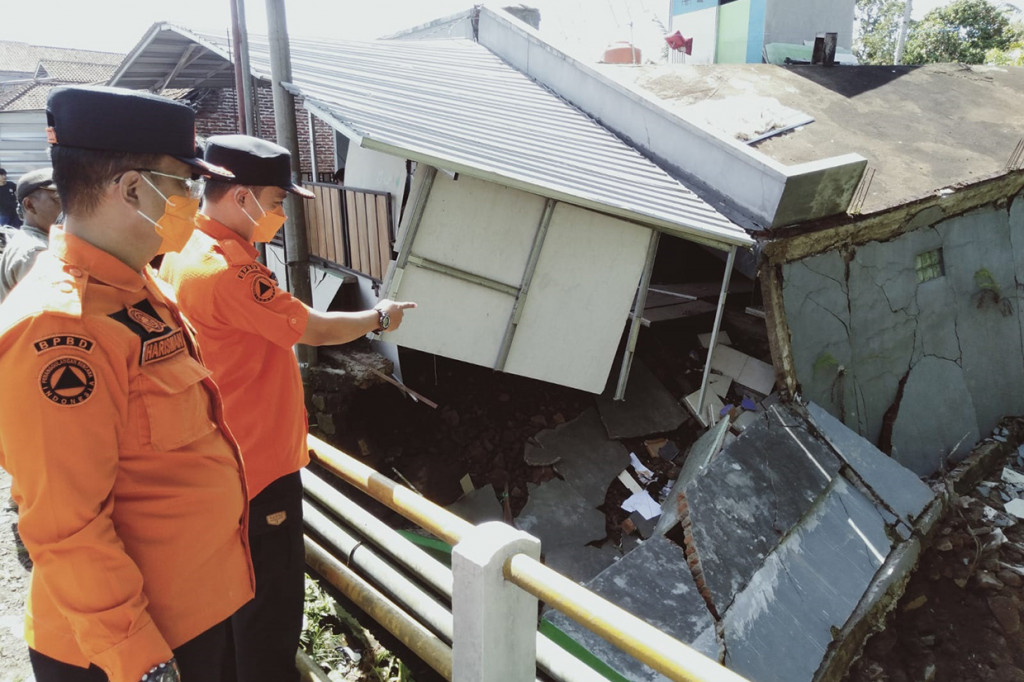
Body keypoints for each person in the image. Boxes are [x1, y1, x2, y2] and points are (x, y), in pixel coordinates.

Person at [0, 86, 255, 682]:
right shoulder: (60, 329)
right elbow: (65, 527)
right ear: (134, 189)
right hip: (126, 649)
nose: (195, 200)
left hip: (190, 613)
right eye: (184, 184)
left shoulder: (136, 284)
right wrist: (142, 664)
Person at [159, 134, 415, 682]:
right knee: (270, 608)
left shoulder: (181, 251)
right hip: (258, 465)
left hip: (221, 456)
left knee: (232, 598)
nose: (278, 214)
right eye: (276, 202)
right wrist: (381, 317)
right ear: (242, 197)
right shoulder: (230, 271)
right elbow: (314, 326)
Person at [0, 167, 62, 301]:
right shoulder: (36, 253)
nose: (68, 208)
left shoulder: (29, 241)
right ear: (29, 205)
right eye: (58, 199)